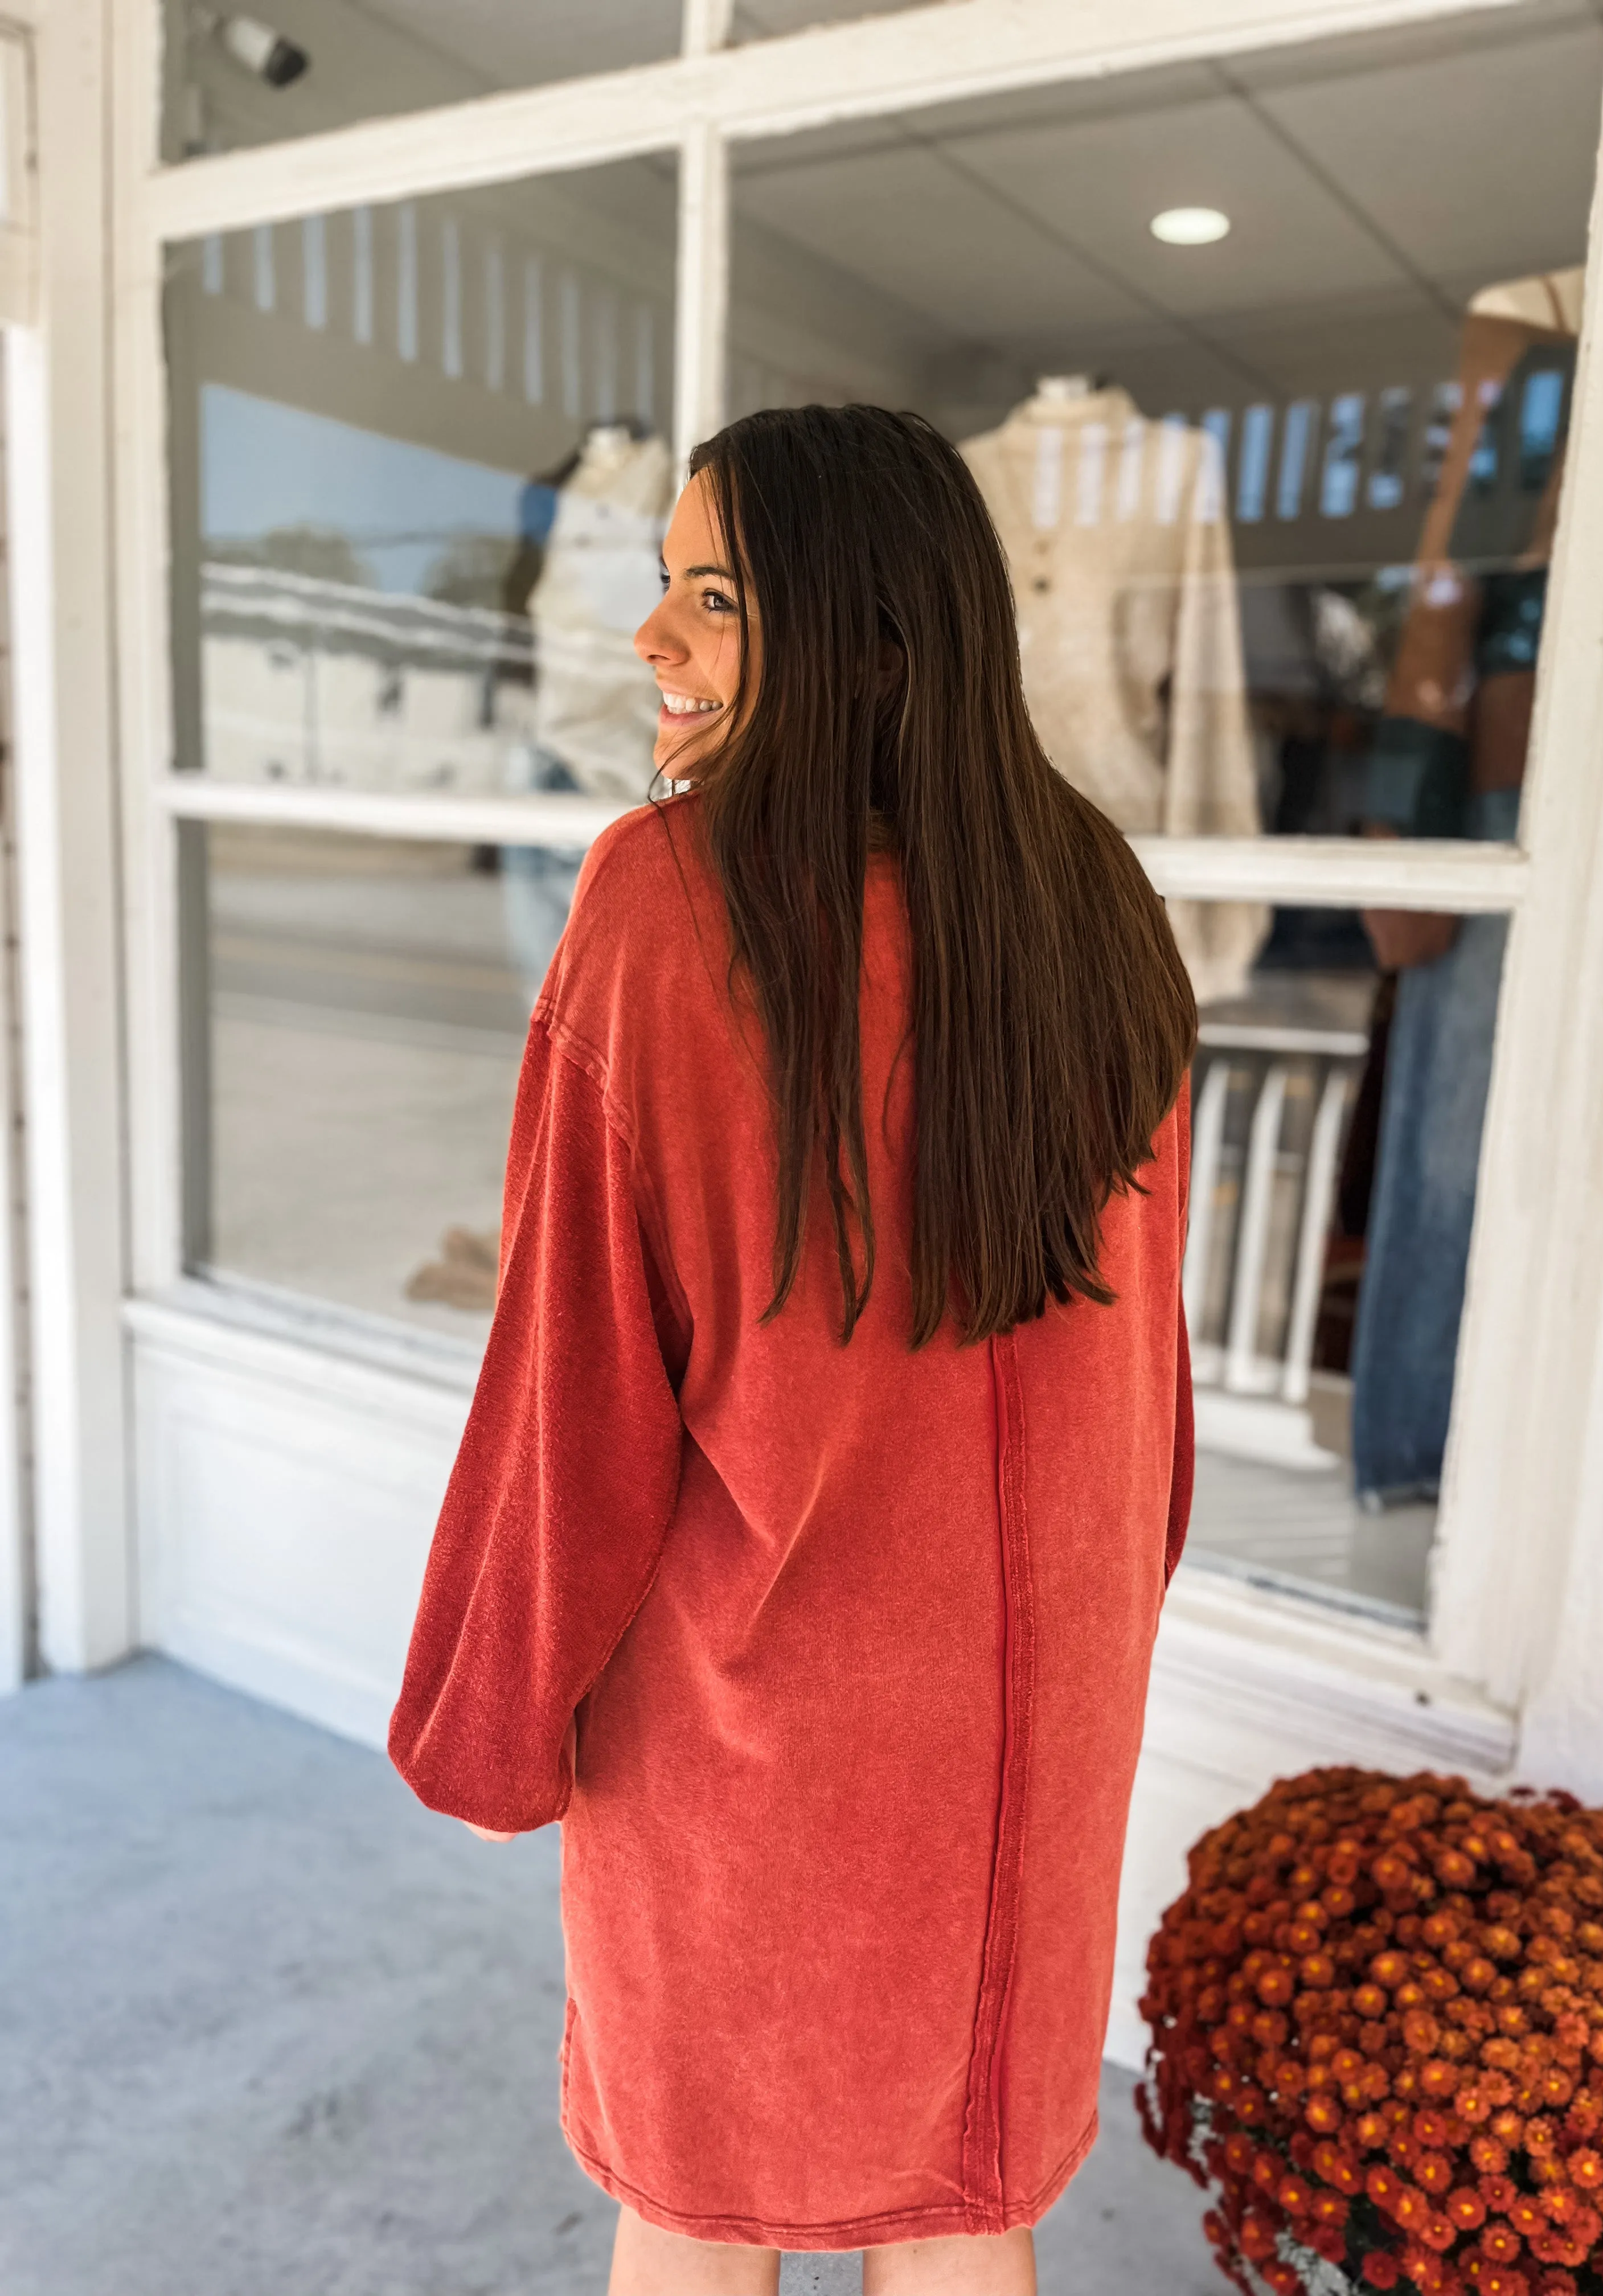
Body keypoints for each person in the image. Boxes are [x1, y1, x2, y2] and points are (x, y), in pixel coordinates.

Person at [388, 405, 1198, 2295]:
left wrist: (492, 1721)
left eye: (718, 600)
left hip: (764, 1728)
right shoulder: (1097, 911)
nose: (653, 642)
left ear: (877, 637)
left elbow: (566, 1398)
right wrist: (1095, 1648)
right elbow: (1140, 1386)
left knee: (696, 2199)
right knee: (961, 2210)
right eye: (666, 590)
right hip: (1029, 1727)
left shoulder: (671, 908)